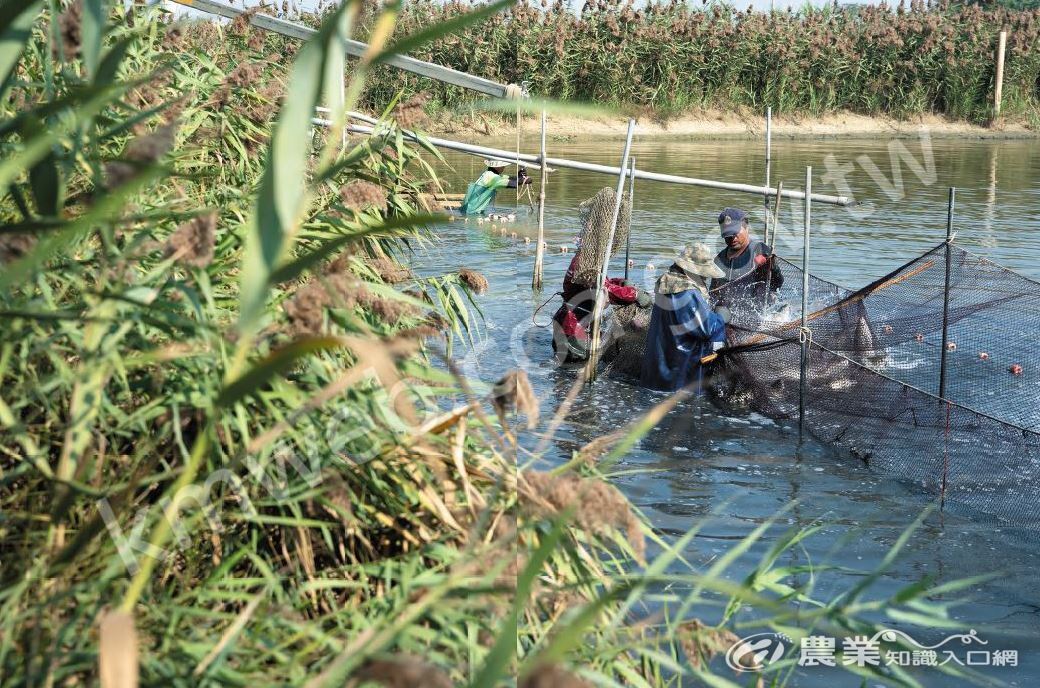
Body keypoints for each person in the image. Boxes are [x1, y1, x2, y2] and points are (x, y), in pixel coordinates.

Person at [551, 187, 651, 363]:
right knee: (573, 377)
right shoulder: (585, 262)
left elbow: (602, 282)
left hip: (568, 325)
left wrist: (620, 282)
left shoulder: (585, 259)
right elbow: (604, 290)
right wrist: (634, 294)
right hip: (573, 331)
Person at [640, 244, 731, 393]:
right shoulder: (686, 294)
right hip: (679, 381)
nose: (705, 278)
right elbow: (706, 328)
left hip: (656, 376)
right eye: (703, 274)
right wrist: (721, 316)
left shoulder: (667, 284)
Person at [709, 207, 783, 302]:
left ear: (747, 228)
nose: (732, 238)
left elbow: (777, 283)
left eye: (735, 233)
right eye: (728, 234)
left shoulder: (759, 250)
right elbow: (713, 294)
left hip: (756, 311)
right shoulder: (719, 260)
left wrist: (771, 265)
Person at [458, 159, 531, 215]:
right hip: (472, 213)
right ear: (498, 167)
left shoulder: (488, 174)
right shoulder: (493, 178)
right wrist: (524, 180)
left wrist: (520, 176)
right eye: (503, 166)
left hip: (467, 210)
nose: (504, 167)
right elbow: (513, 184)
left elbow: (510, 178)